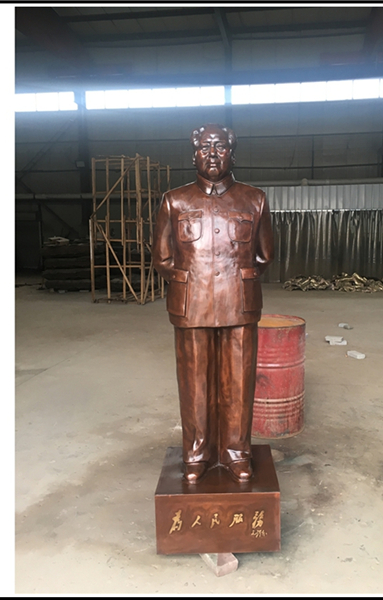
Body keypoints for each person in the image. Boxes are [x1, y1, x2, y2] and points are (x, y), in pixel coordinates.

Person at [152, 123, 274, 483]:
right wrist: (194, 283)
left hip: (239, 303)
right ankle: (197, 453)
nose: (212, 154)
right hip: (193, 305)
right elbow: (162, 257)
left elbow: (264, 255)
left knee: (239, 383)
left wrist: (235, 280)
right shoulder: (175, 201)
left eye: (220, 147)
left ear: (232, 153)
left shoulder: (254, 199)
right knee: (195, 385)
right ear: (194, 154)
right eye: (205, 147)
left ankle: (237, 453)